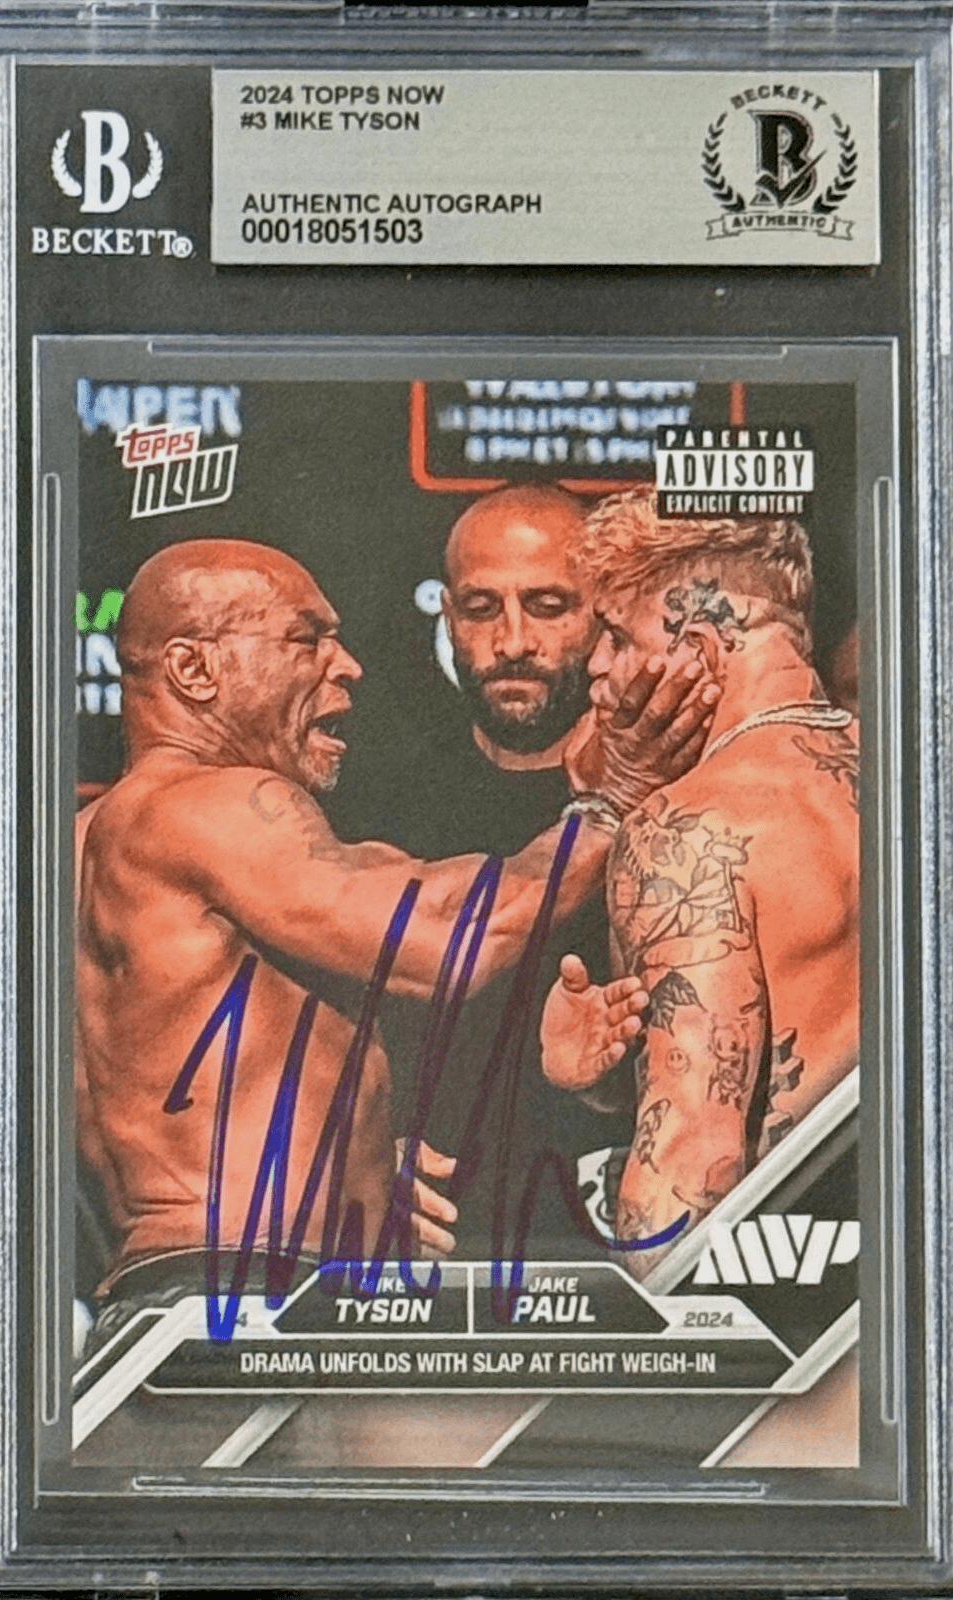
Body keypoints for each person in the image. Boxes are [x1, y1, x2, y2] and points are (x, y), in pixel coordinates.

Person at [75, 536, 711, 1330]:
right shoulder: (211, 806)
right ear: (193, 669)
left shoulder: (94, 838)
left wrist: (357, 1163)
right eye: (305, 639)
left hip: (173, 1291)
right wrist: (612, 803)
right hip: (241, 1295)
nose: (346, 666)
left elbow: (425, 893)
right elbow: (447, 946)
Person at [540, 489, 859, 1275]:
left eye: (617, 635)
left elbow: (690, 1163)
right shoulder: (928, 785)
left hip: (800, 1305)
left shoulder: (690, 829)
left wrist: (655, 1343)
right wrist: (606, 1082)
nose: (596, 664)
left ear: (700, 647)